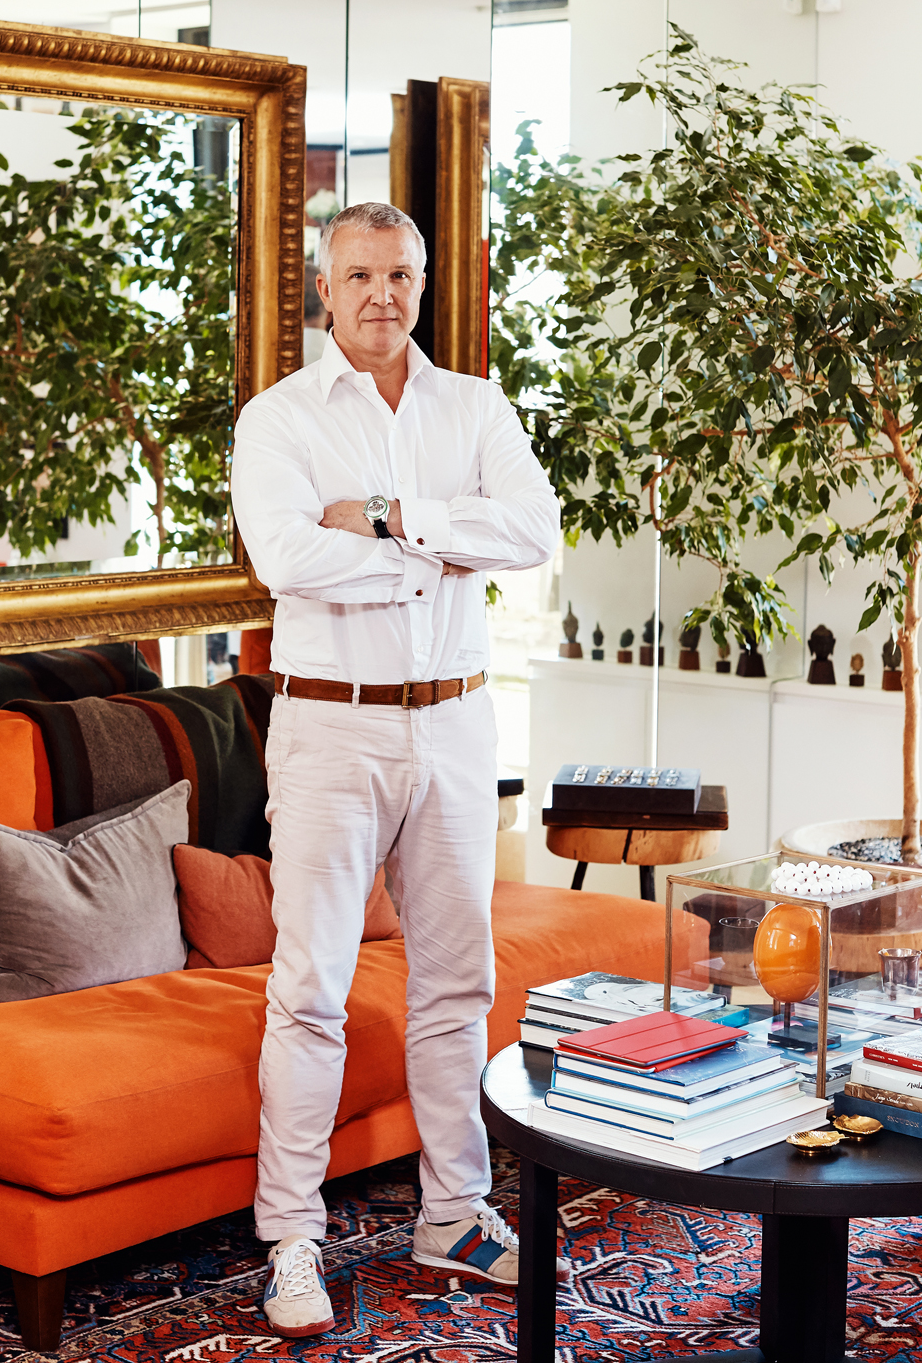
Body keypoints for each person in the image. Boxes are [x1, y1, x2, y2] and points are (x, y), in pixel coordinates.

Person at [230, 201, 561, 1339]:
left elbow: (534, 532)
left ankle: (454, 1215)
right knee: (310, 990)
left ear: (424, 285)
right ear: (325, 289)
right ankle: (291, 1237)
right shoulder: (278, 420)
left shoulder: (474, 405)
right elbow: (287, 557)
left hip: (459, 725)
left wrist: (384, 518)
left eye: (402, 276)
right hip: (332, 729)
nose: (383, 295)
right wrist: (439, 550)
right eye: (361, 275)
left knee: (458, 985)